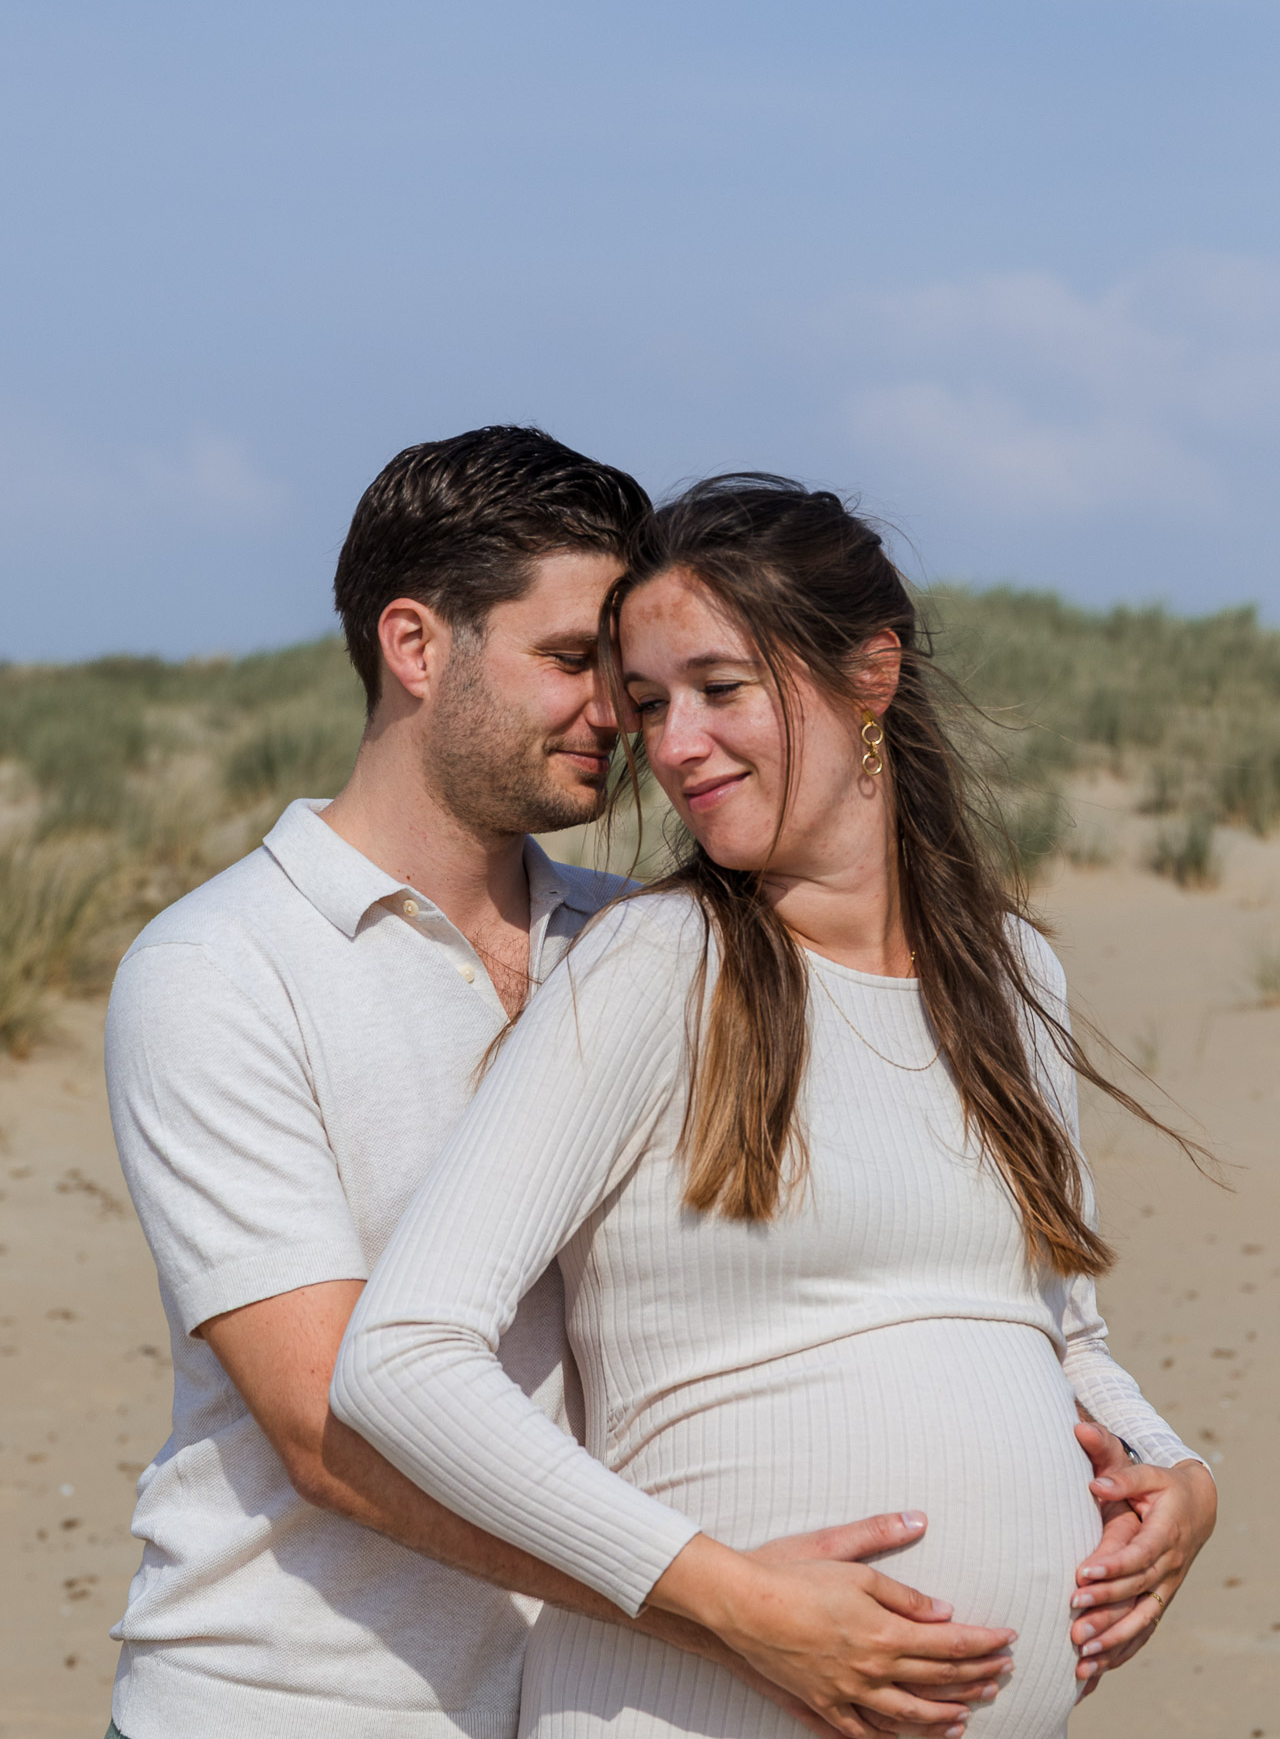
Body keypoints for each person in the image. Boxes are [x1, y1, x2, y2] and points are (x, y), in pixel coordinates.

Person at [104, 431, 1024, 1739]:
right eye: (570, 663)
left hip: (584, 1705)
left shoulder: (635, 939)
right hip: (292, 1701)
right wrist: (727, 1605)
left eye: (631, 678)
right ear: (416, 647)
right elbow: (325, 1432)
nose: (620, 716)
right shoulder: (221, 968)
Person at [333, 474, 1218, 1739]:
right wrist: (731, 1599)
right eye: (645, 704)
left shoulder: (1012, 970)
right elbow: (402, 1357)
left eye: (719, 687)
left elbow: (1061, 1327)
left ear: (869, 673)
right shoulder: (657, 967)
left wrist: (1179, 1474)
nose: (672, 742)